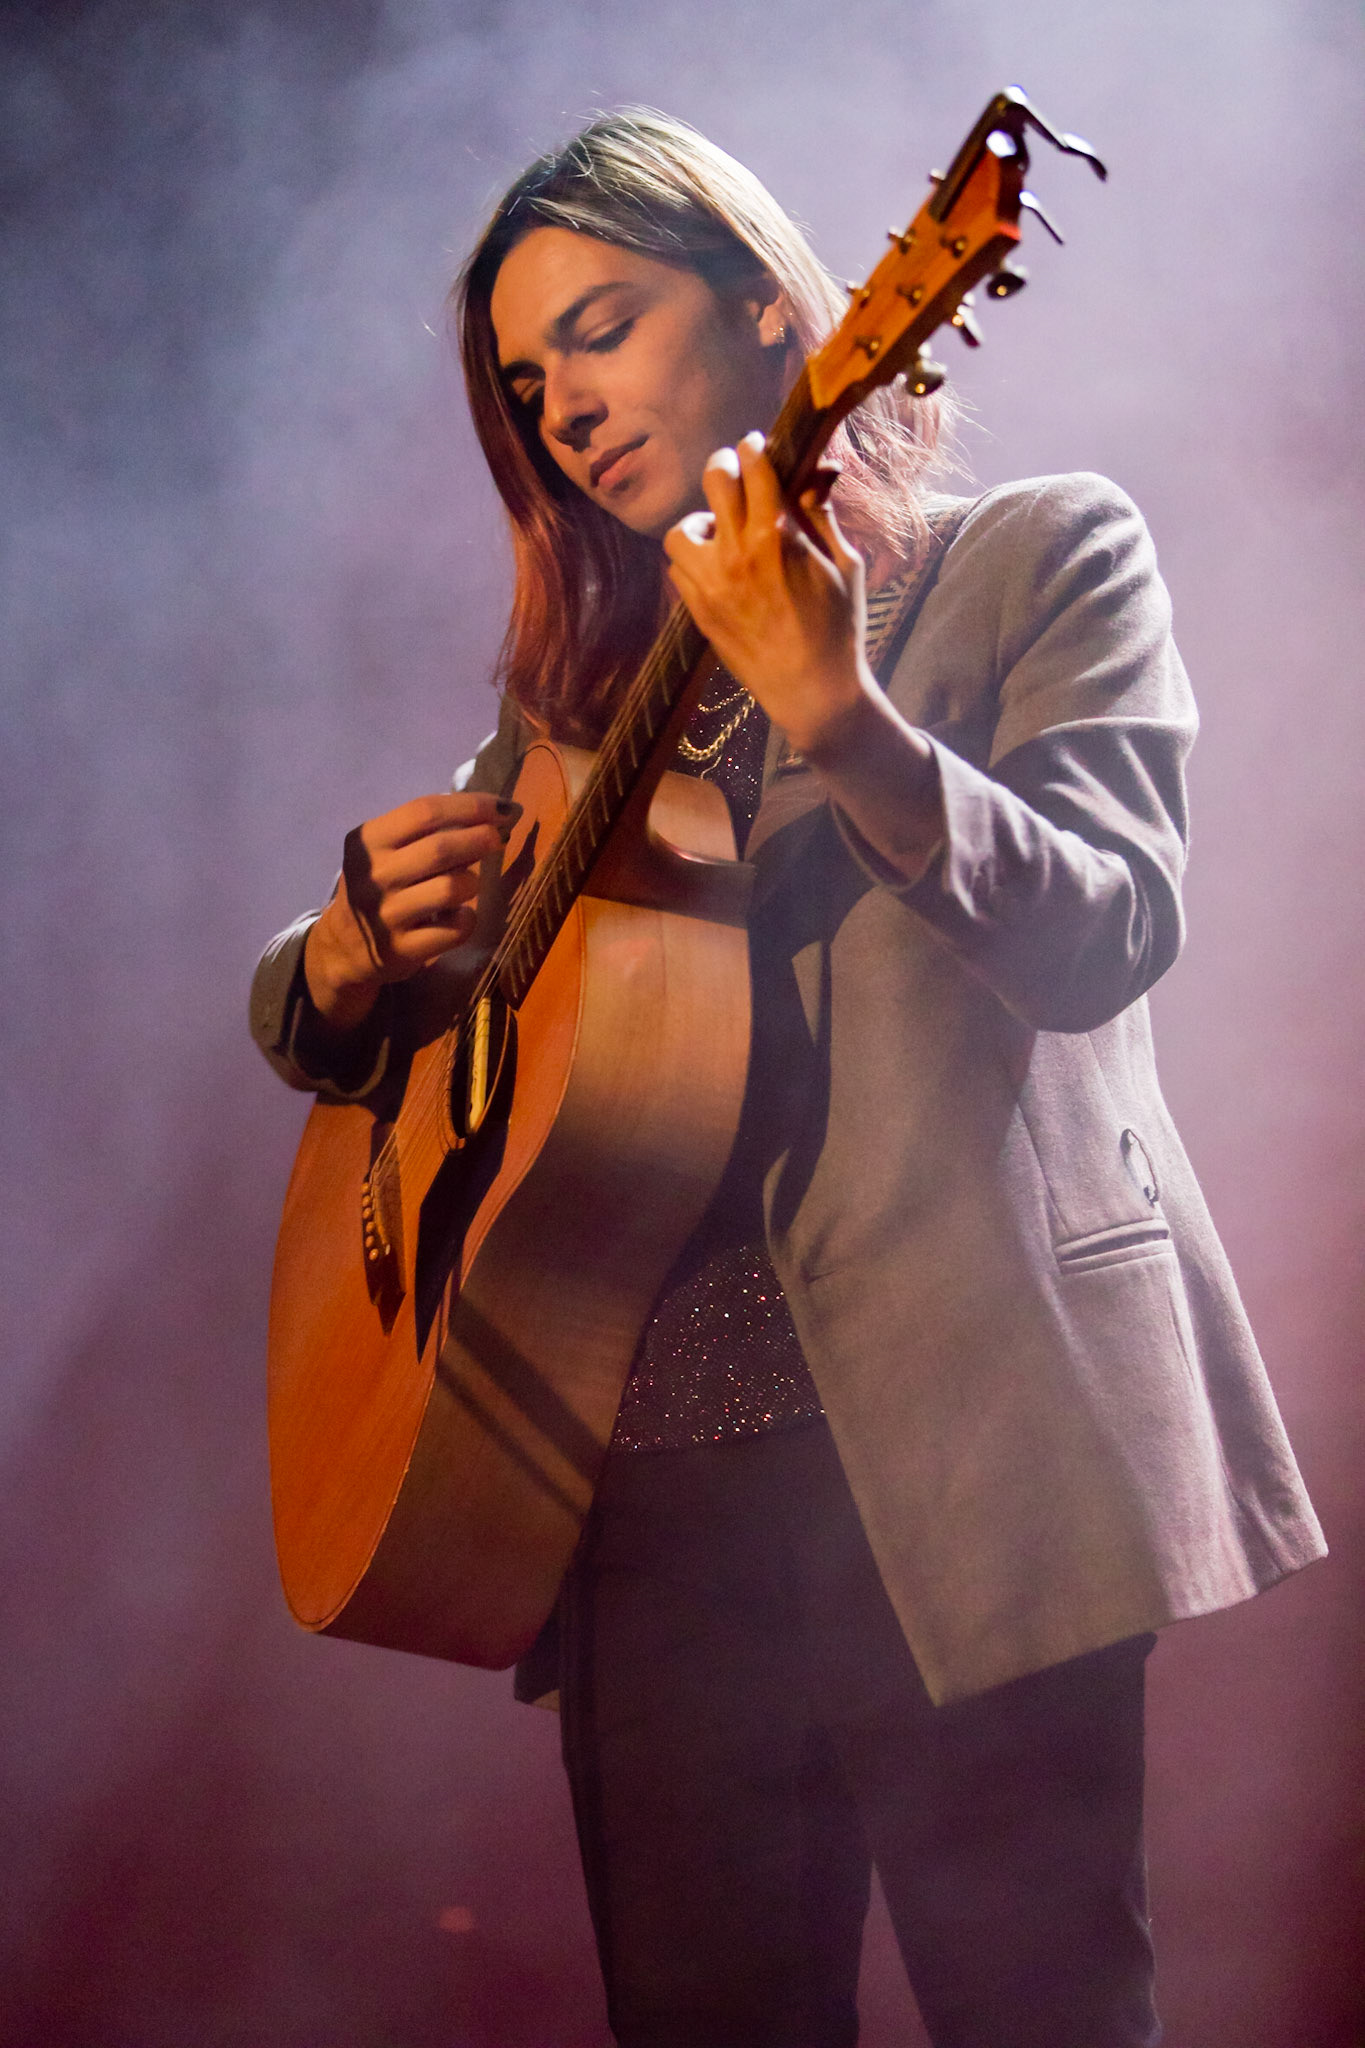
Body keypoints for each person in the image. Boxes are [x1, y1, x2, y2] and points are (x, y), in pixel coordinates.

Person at [250, 111, 1325, 2048]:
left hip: (966, 1476)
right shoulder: (570, 724)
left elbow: (1106, 927)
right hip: (647, 1523)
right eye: (524, 377)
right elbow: (339, 1026)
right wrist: (343, 957)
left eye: (600, 324)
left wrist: (843, 717)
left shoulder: (1032, 557)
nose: (561, 404)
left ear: (773, 308)